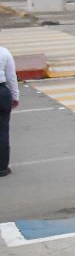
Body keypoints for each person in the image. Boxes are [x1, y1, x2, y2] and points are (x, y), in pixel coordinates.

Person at [0, 42, 16, 178]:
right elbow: (11, 77)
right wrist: (15, 96)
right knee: (3, 130)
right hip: (2, 92)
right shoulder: (4, 52)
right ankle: (2, 168)